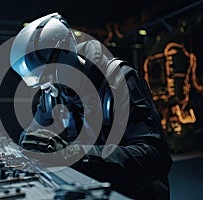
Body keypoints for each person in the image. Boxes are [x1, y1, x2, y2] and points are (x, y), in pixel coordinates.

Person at [9, 12, 173, 199]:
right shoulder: (51, 93)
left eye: (46, 78)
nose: (45, 89)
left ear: (65, 55)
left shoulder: (119, 81)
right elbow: (35, 135)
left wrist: (74, 154)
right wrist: (32, 143)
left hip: (135, 193)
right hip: (92, 190)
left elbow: (155, 157)